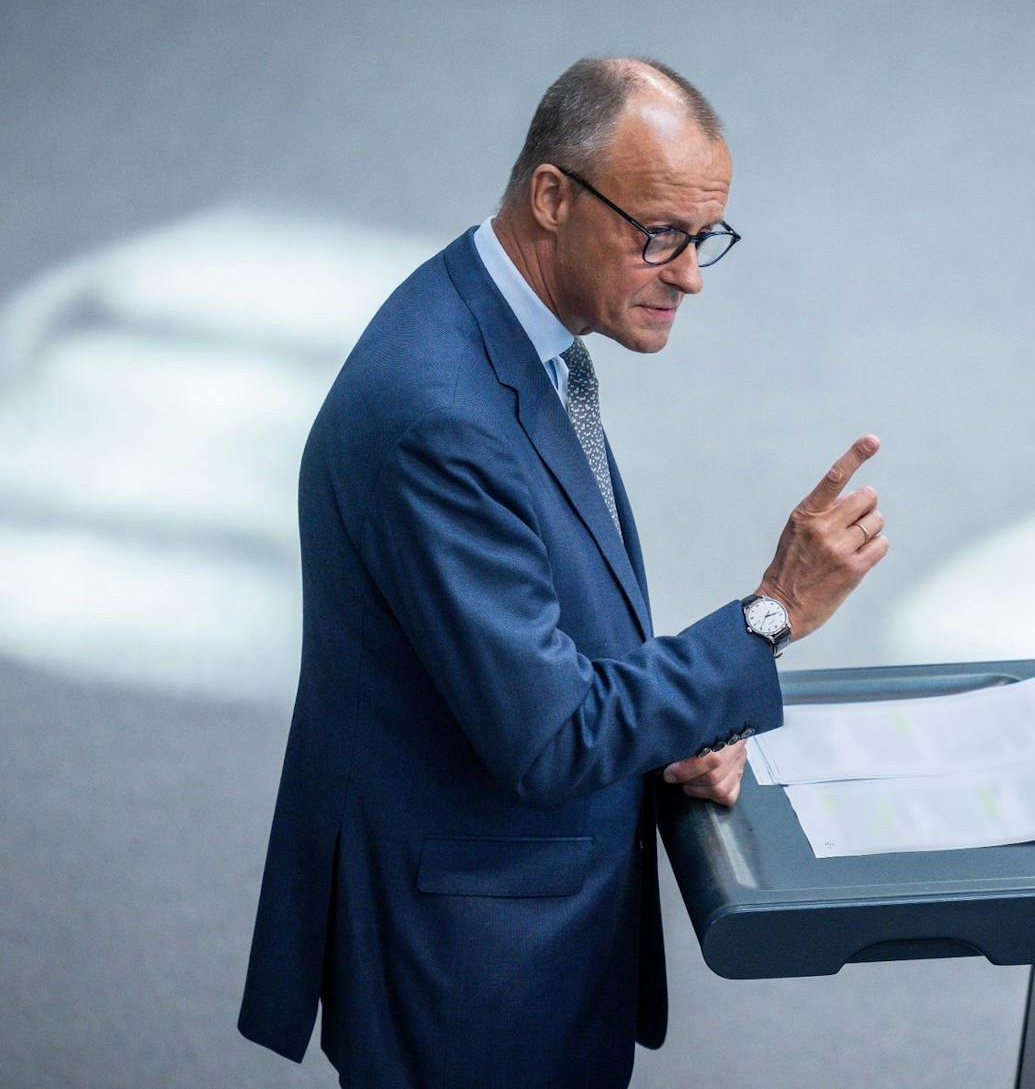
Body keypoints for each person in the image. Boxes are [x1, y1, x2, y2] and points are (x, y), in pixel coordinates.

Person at [236, 56, 888, 1086]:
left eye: (702, 236)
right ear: (551, 196)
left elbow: (539, 647)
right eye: (658, 234)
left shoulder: (513, 336)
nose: (689, 273)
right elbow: (547, 734)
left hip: (515, 909)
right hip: (469, 960)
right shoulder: (437, 416)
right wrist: (770, 616)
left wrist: (677, 728)